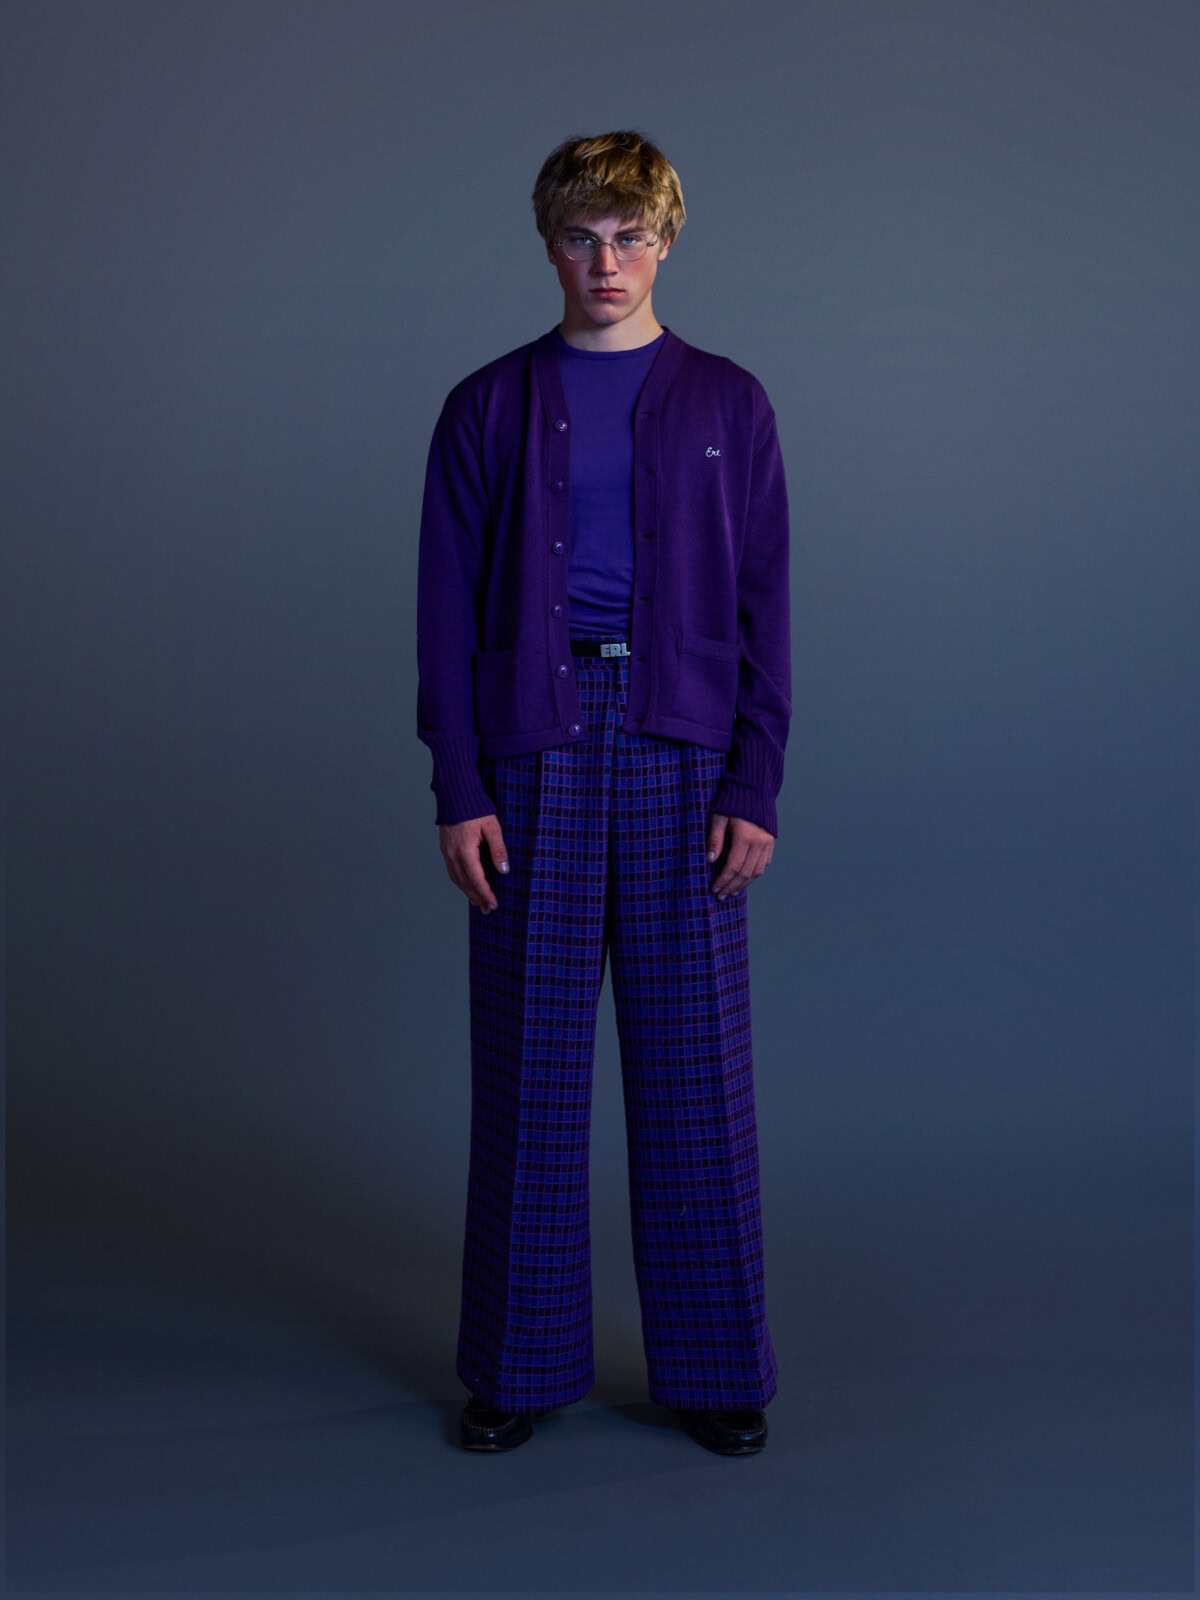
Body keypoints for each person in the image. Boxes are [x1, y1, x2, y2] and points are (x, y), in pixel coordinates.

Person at [415, 130, 791, 1456]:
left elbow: (765, 604)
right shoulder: (486, 406)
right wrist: (460, 781)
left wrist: (756, 778)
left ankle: (713, 1369)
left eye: (630, 236)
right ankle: (518, 1369)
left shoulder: (731, 404)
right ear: (549, 246)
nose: (606, 261)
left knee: (696, 1075)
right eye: (581, 236)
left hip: (685, 747)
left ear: (667, 242)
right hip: (535, 742)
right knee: (529, 1069)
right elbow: (443, 609)